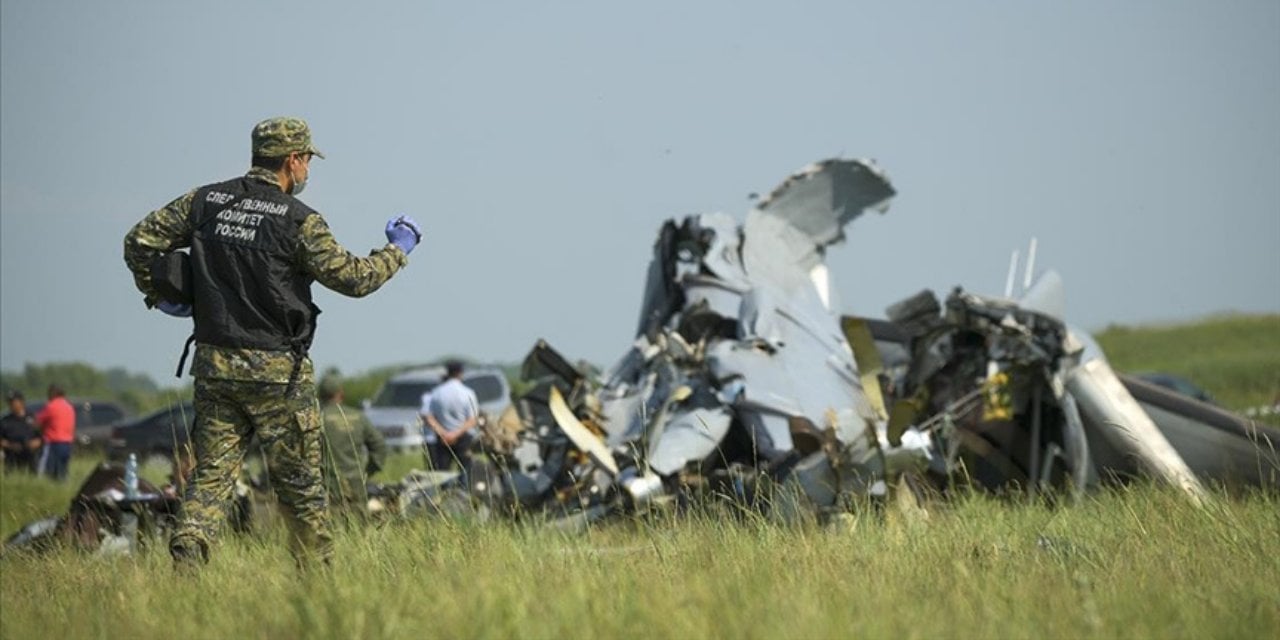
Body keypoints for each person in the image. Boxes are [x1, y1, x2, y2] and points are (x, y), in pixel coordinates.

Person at [123, 116, 422, 570]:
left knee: (214, 473)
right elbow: (356, 279)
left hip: (215, 364)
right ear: (294, 160)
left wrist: (162, 296)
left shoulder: (205, 202)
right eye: (307, 162)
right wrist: (399, 249)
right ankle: (316, 573)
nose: (307, 172)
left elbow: (139, 241)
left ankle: (189, 543)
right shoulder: (299, 221)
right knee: (300, 481)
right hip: (278, 374)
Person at [318, 374, 387, 522]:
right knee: (359, 525)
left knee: (334, 526)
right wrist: (369, 471)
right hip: (357, 480)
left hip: (329, 482)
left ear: (320, 395)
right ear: (341, 393)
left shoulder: (318, 417)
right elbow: (379, 445)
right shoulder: (358, 416)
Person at [422, 360, 480, 471]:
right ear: (460, 373)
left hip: (442, 438)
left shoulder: (436, 392)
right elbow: (472, 419)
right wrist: (455, 434)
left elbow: (428, 417)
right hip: (464, 437)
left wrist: (444, 433)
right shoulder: (468, 393)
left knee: (442, 472)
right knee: (466, 472)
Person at [35, 385, 75, 481]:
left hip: (53, 442)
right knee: (62, 470)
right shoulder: (69, 407)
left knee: (46, 471)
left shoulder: (51, 406)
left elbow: (37, 421)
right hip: (67, 443)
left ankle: (41, 487)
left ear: (53, 394)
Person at [1, 391, 42, 474]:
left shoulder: (32, 418)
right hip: (12, 457)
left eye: (14, 402)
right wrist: (10, 445)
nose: (12, 405)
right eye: (10, 402)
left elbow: (41, 436)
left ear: (21, 402)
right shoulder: (5, 421)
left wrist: (36, 443)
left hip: (30, 456)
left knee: (32, 478)